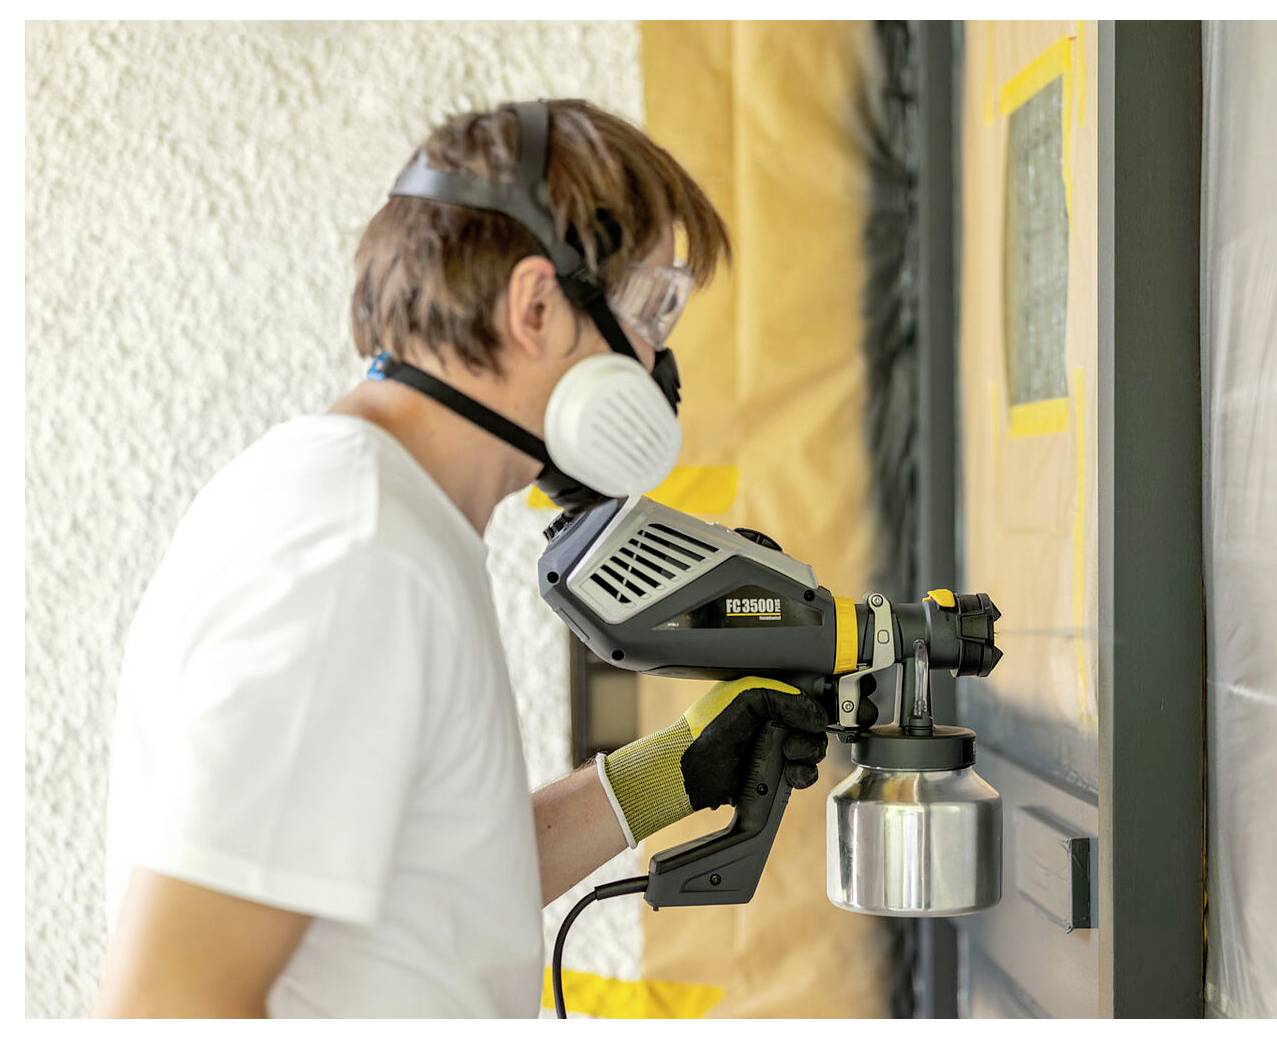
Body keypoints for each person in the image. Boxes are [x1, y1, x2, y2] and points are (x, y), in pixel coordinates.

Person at [95, 99, 829, 1018]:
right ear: (536, 307)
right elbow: (165, 1004)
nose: (657, 363)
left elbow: (434, 884)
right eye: (652, 309)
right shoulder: (353, 553)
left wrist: (665, 774)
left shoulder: (387, 519)